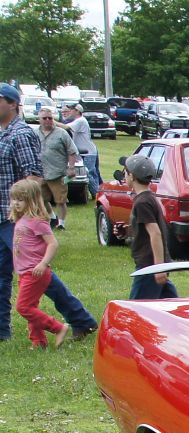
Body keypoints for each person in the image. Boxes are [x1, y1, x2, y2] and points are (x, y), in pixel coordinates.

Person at [0, 85, 96, 343]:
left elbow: (33, 175)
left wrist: (25, 214)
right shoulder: (3, 134)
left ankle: (80, 320)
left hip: (17, 218)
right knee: (4, 273)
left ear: (12, 104)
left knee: (38, 272)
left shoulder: (19, 134)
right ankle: (2, 330)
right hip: (5, 215)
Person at [10, 178, 68, 347]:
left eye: (21, 200)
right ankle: (38, 342)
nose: (16, 203)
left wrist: (43, 264)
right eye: (14, 199)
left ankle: (58, 328)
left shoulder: (38, 221)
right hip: (24, 272)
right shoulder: (23, 220)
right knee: (30, 306)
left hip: (35, 272)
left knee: (23, 307)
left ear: (32, 200)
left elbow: (53, 243)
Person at [124, 156, 175, 301]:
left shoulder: (142, 202)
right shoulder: (149, 198)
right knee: (170, 306)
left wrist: (158, 268)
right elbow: (145, 231)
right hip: (154, 264)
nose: (124, 175)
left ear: (132, 176)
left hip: (149, 266)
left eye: (125, 172)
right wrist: (126, 232)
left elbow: (155, 233)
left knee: (137, 310)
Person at [36, 107, 76, 228]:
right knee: (41, 199)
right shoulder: (34, 133)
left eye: (50, 118)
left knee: (60, 200)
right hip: (40, 173)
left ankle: (61, 223)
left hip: (58, 173)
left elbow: (72, 151)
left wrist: (71, 167)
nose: (48, 120)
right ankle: (52, 217)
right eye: (45, 118)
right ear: (39, 120)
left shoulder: (61, 133)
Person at [61, 104, 99, 197]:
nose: (69, 111)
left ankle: (97, 194)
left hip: (87, 152)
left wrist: (52, 121)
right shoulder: (78, 121)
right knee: (93, 174)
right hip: (86, 151)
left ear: (77, 111)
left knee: (87, 173)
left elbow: (65, 127)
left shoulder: (80, 121)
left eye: (71, 109)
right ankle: (98, 193)